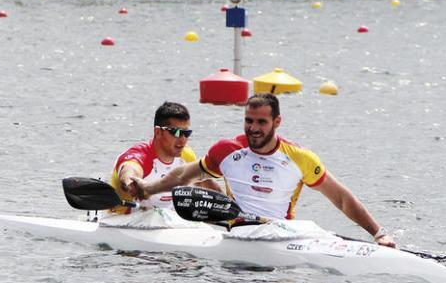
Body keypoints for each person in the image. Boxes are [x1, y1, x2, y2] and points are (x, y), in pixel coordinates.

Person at [129, 93, 396, 247]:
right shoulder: (227, 150)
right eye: (248, 121)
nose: (253, 128)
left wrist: (378, 233)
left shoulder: (300, 158)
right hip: (237, 236)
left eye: (261, 122)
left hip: (280, 237)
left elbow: (341, 198)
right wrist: (148, 188)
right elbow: (184, 175)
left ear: (277, 121)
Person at [110, 101, 218, 213]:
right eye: (176, 132)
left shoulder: (187, 156)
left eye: (186, 133)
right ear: (158, 132)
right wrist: (131, 184)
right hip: (122, 223)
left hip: (164, 222)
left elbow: (207, 184)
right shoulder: (140, 156)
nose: (182, 139)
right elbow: (129, 170)